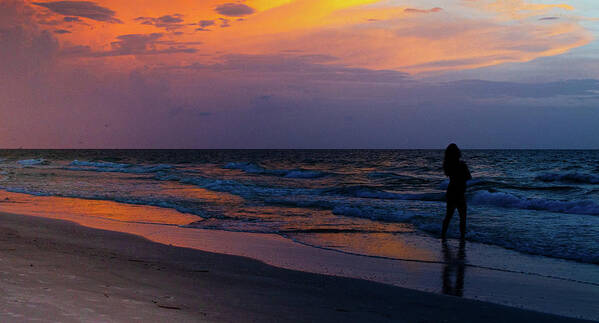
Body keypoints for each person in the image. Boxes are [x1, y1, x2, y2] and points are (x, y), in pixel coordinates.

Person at [442, 143, 471, 240]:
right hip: (460, 193)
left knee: (448, 216)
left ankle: (443, 236)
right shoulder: (462, 165)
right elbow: (468, 177)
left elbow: (448, 174)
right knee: (463, 217)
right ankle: (462, 238)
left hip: (451, 191)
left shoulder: (447, 165)